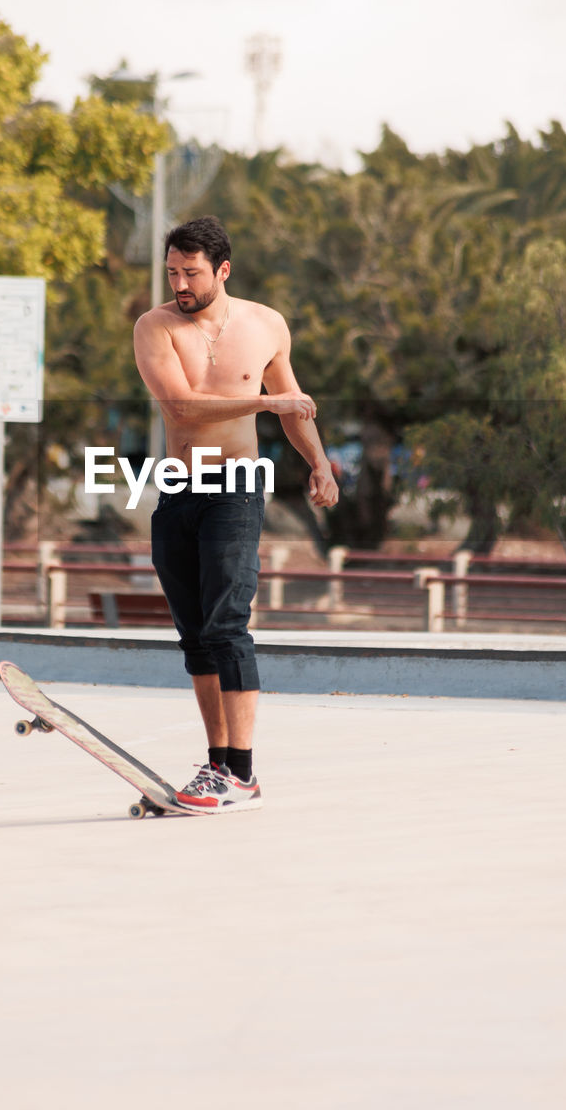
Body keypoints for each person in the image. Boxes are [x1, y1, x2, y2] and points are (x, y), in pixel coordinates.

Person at [133, 215, 338, 813]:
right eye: (172, 272)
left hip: (237, 487)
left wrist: (320, 465)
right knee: (195, 635)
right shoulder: (155, 327)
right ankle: (218, 763)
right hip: (178, 487)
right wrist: (268, 400)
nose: (180, 284)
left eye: (191, 272)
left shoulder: (266, 324)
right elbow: (181, 405)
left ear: (222, 269)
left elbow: (295, 408)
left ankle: (241, 771)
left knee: (227, 625)